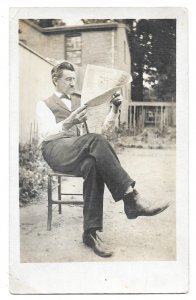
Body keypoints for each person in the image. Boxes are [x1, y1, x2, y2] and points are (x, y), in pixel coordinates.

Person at [36, 61, 169, 258]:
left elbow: (100, 132)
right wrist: (68, 122)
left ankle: (90, 232)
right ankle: (131, 199)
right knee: (94, 143)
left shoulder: (80, 102)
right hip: (55, 150)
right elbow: (46, 134)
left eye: (74, 79)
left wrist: (114, 110)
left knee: (93, 163)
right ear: (55, 80)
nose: (73, 84)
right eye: (68, 79)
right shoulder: (44, 104)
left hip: (79, 149)